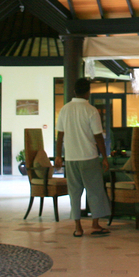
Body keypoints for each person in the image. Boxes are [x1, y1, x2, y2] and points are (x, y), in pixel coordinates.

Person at [54, 78, 111, 237]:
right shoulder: (91, 110)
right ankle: (95, 225)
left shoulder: (65, 109)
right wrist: (104, 157)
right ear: (88, 92)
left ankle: (78, 228)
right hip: (89, 157)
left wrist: (59, 155)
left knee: (74, 192)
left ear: (74, 91)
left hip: (71, 158)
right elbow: (98, 136)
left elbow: (60, 135)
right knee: (95, 191)